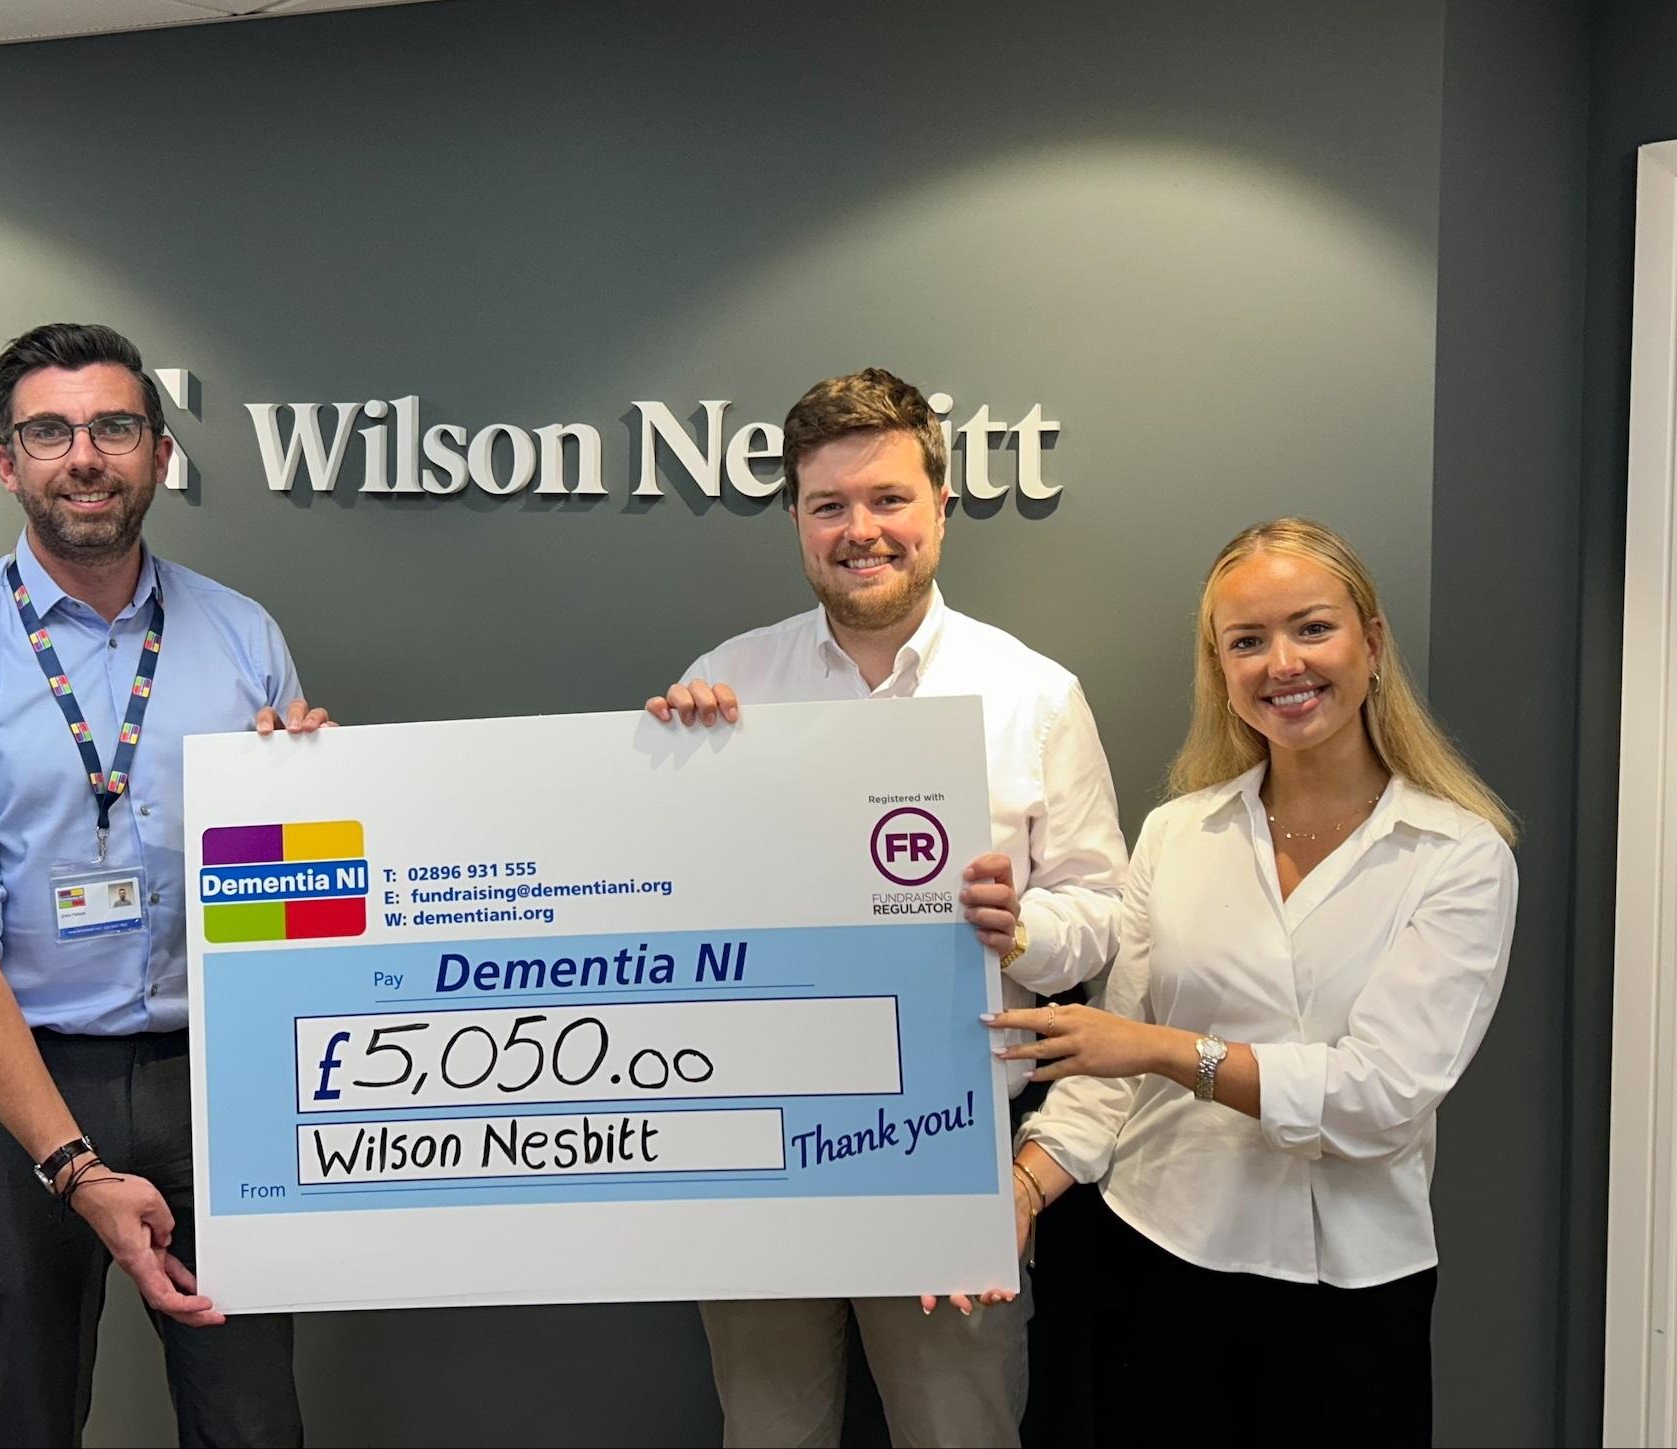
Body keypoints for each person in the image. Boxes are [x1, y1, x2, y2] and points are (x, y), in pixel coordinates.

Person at [0, 323, 324, 1447]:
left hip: (214, 1080)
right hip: (21, 1085)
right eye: (49, 432)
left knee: (253, 1424)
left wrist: (311, 796)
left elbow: (299, 894)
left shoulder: (242, 637)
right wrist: (72, 1163)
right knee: (22, 1420)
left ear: (160, 453)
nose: (84, 456)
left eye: (114, 427)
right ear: (5, 461)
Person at [648, 367, 1127, 1448]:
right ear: (796, 520)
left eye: (888, 499)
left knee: (961, 1432)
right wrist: (669, 780)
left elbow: (1104, 917)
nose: (860, 530)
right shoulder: (725, 685)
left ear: (942, 507)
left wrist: (1023, 930)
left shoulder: (1034, 695)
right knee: (768, 1432)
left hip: (948, 1146)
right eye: (829, 505)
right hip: (757, 1144)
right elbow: (659, 915)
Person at [995, 518, 1518, 1444]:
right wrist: (1024, 1190)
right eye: (1246, 641)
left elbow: (1377, 1098)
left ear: (1371, 641)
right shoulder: (1175, 833)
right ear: (1219, 667)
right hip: (1151, 1258)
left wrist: (1165, 1051)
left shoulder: (1457, 856)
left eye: (1311, 627)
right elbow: (1105, 1079)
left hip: (1351, 1293)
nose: (1282, 663)